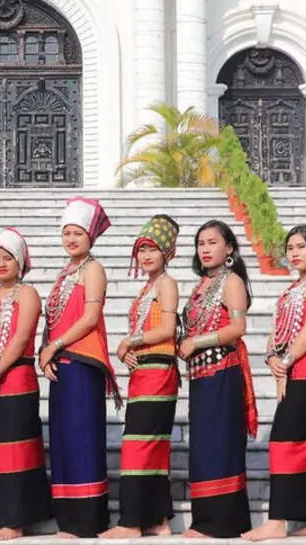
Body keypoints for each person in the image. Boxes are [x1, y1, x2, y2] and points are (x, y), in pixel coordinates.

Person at [242, 225, 306, 541]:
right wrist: (271, 356)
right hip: (292, 368)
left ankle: (278, 520)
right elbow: (277, 331)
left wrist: (284, 363)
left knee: (285, 441)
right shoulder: (291, 289)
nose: (294, 253)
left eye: (300, 246)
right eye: (290, 248)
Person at [38, 196, 119, 538]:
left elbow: (89, 318)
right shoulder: (64, 273)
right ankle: (68, 519)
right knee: (64, 440)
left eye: (78, 234)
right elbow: (52, 319)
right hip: (61, 364)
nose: (71, 239)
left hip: (83, 362)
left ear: (90, 237)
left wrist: (54, 346)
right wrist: (46, 351)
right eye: (67, 233)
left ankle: (88, 520)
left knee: (83, 438)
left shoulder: (93, 269)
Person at [100, 215, 181, 539]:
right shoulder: (148, 287)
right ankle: (158, 521)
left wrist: (129, 342)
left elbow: (166, 330)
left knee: (140, 445)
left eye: (153, 250)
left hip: (159, 372)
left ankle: (132, 522)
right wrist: (129, 350)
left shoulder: (166, 284)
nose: (146, 256)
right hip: (144, 371)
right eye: (142, 250)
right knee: (151, 446)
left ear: (167, 253)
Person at [178, 220, 258, 539]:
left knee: (220, 446)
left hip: (223, 372)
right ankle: (207, 520)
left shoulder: (232, 281)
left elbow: (238, 329)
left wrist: (196, 343)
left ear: (229, 248)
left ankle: (222, 523)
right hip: (201, 376)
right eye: (200, 243)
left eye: (212, 242)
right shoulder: (202, 285)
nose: (205, 249)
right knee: (204, 447)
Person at [0, 228, 51, 541]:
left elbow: (20, 337)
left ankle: (17, 519)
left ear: (20, 262)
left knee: (18, 450)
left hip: (16, 377)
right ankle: (0, 515)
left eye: (7, 258)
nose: (1, 264)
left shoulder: (28, 293)